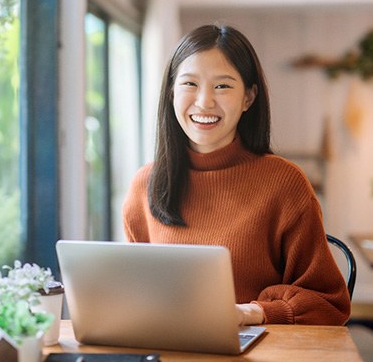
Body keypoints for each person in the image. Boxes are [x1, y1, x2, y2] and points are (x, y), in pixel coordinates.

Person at [122, 24, 350, 326]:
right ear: (170, 92)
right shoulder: (145, 184)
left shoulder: (284, 183)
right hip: (167, 347)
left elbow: (330, 303)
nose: (204, 102)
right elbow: (133, 291)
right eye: (190, 84)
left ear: (249, 97)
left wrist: (254, 312)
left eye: (222, 86)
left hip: (257, 353)